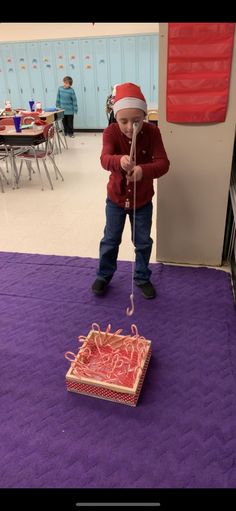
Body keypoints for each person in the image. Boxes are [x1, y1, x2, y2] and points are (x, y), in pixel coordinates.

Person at [92, 82, 170, 299]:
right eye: (123, 120)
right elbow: (104, 159)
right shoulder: (110, 132)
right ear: (115, 118)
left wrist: (142, 171)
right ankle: (104, 275)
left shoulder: (153, 132)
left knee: (143, 242)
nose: (129, 127)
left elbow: (164, 164)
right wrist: (119, 161)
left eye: (137, 121)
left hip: (142, 200)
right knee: (110, 239)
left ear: (145, 116)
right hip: (115, 199)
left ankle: (142, 278)